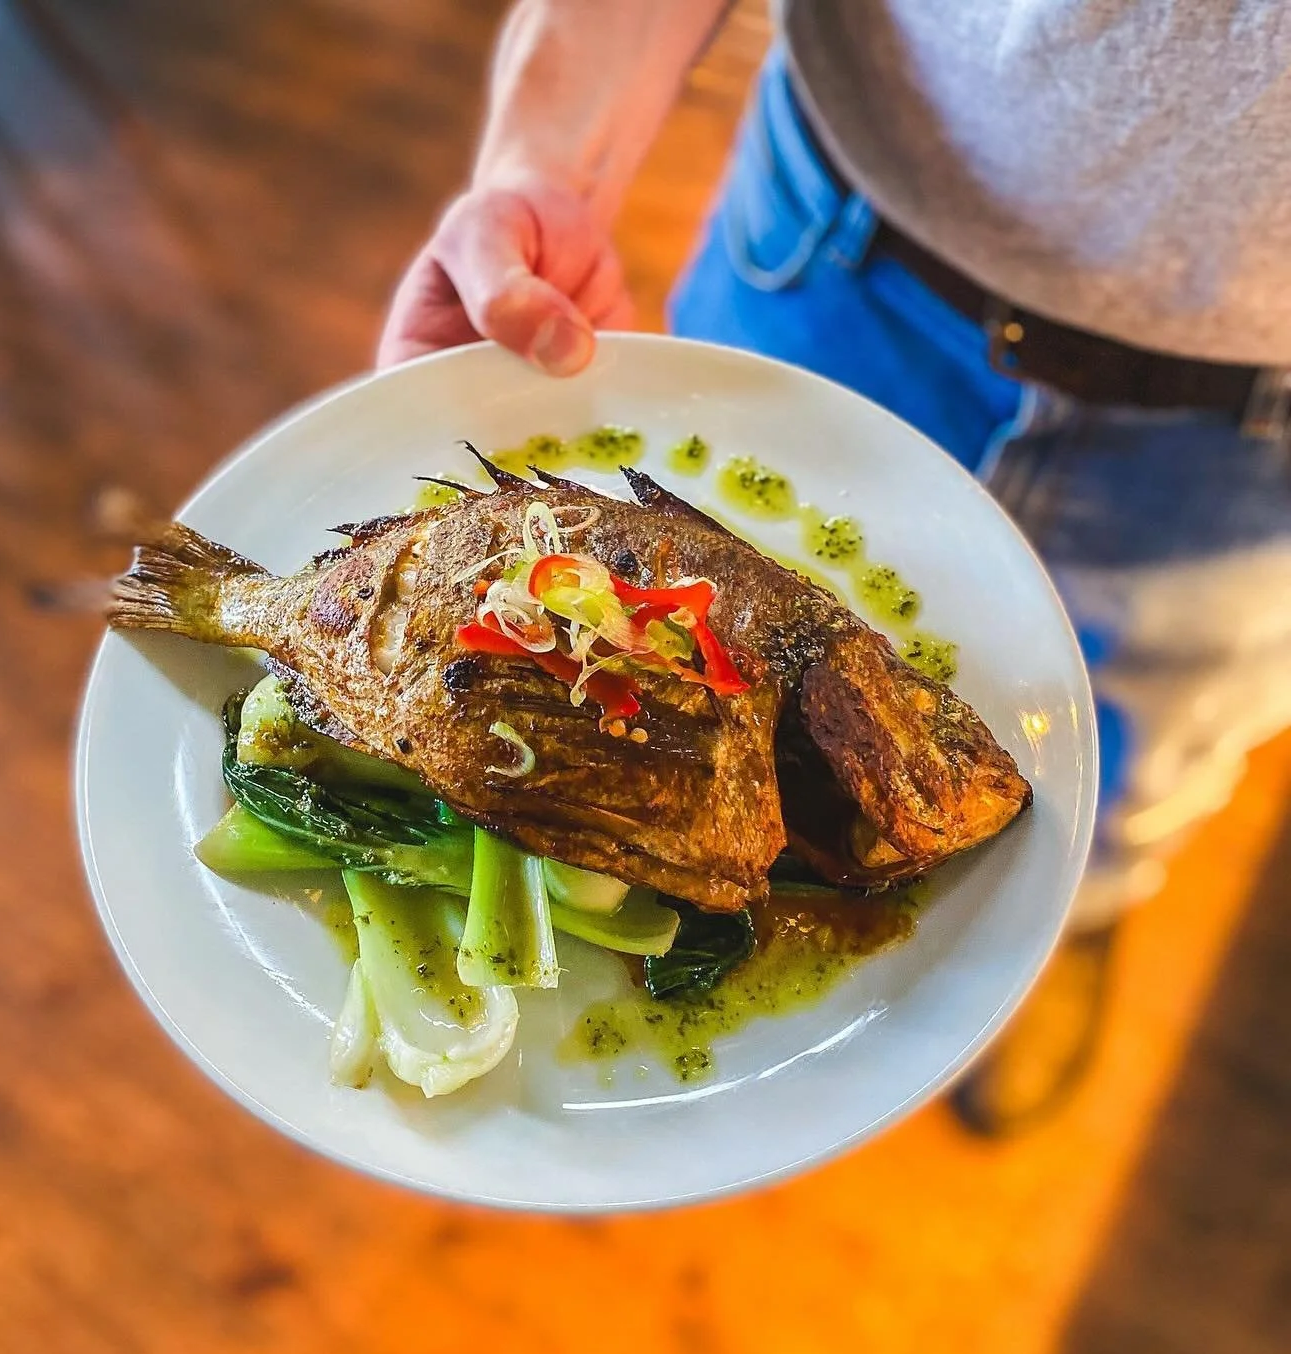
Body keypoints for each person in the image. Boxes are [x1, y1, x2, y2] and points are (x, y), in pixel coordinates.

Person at [378, 0, 1291, 1133]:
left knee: (1142, 763)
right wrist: (545, 167)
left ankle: (1080, 907)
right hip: (832, 259)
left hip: (1250, 455)